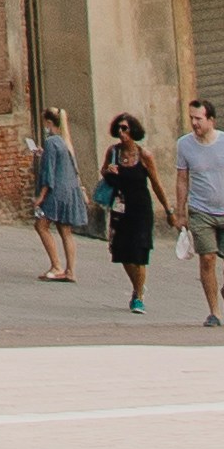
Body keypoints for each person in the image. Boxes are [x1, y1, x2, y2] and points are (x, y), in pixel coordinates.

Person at [173, 98, 224, 323]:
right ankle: (214, 312)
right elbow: (181, 179)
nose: (194, 123)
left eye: (198, 119)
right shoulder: (184, 144)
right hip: (200, 210)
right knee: (207, 258)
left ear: (211, 120)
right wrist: (180, 212)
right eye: (191, 118)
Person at [96, 114, 165, 318]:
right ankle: (137, 285)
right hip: (120, 209)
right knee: (122, 252)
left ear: (133, 131)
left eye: (125, 129)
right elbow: (104, 171)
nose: (121, 132)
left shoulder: (144, 155)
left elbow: (156, 183)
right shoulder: (113, 152)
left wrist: (169, 210)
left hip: (140, 208)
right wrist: (108, 170)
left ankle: (139, 295)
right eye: (118, 128)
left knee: (139, 252)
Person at [26, 104, 85, 285]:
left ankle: (56, 265)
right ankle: (70, 270)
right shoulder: (65, 141)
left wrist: (41, 197)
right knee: (65, 230)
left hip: (56, 192)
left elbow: (49, 173)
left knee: (41, 226)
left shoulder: (51, 141)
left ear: (50, 123)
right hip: (70, 190)